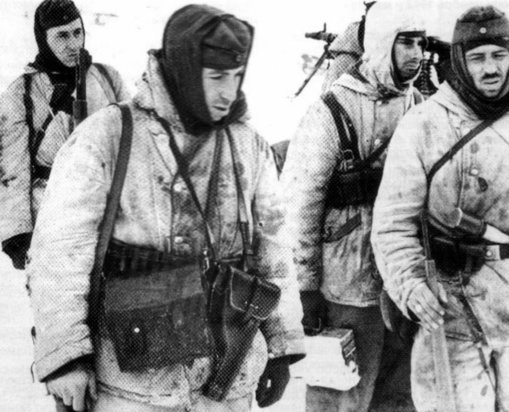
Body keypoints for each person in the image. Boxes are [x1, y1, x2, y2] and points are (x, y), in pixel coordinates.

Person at [26, 4, 305, 412]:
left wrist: (282, 344)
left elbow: (274, 249)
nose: (228, 92)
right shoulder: (107, 136)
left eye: (235, 76)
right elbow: (59, 253)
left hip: (226, 376)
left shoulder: (247, 145)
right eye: (216, 78)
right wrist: (66, 358)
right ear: (183, 69)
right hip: (132, 384)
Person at [372, 5, 509, 411]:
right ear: (460, 62)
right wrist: (411, 285)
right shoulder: (424, 125)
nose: (491, 68)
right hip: (450, 305)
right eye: (477, 58)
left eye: (499, 55)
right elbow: (393, 225)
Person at [281, 6, 427, 411]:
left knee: (398, 398)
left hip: (403, 288)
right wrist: (305, 288)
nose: (417, 54)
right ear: (382, 42)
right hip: (346, 291)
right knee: (339, 399)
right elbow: (299, 205)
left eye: (420, 43)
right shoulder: (331, 111)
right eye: (406, 42)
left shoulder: (420, 108)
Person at [0, 0, 129, 269]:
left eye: (77, 32)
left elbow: (132, 146)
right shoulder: (22, 92)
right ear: (43, 39)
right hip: (52, 216)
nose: (73, 44)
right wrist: (18, 235)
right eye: (61, 36)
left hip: (107, 214)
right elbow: (12, 169)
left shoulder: (107, 79)